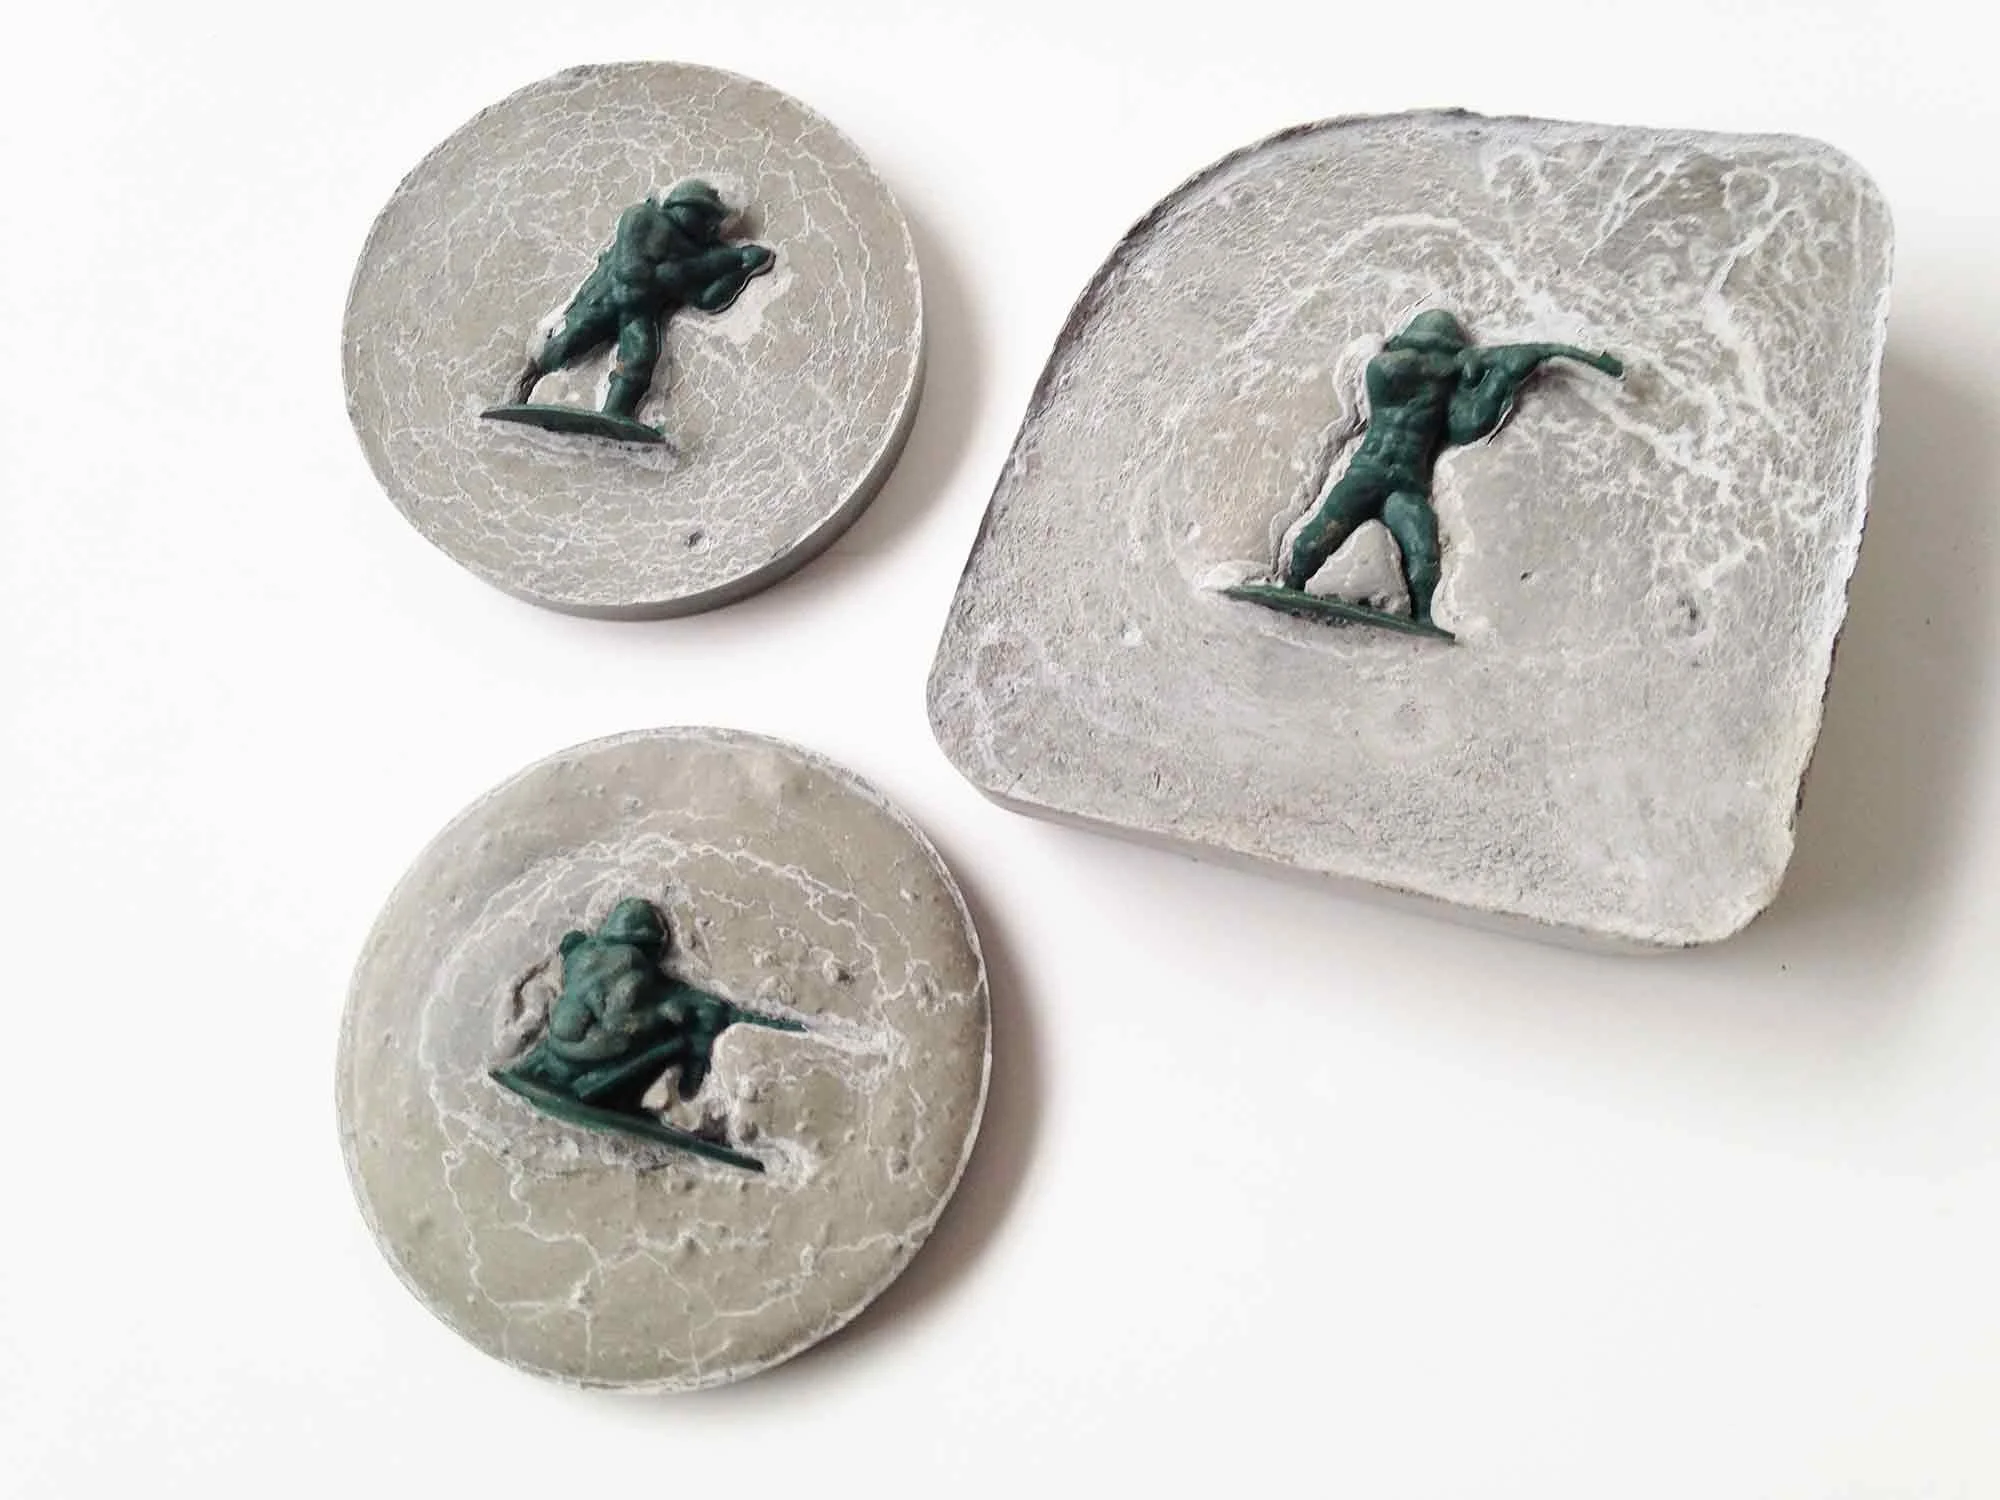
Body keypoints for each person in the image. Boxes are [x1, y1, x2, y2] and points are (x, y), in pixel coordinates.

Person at [1282, 311, 1622, 627]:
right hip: (1366, 472)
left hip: (1408, 484)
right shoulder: (1388, 367)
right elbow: (1408, 367)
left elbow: (1473, 417)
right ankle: (1291, 583)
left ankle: (1423, 618)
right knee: (1319, 536)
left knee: (1424, 552)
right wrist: (1469, 361)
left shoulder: (1442, 388)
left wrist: (1577, 359)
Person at [505, 179, 776, 423]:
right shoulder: (642, 217)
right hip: (603, 299)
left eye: (713, 223)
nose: (710, 227)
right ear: (684, 206)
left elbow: (706, 300)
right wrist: (720, 261)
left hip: (641, 313)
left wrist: (742, 269)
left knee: (639, 359)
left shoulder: (694, 253)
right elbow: (634, 272)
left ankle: (615, 414)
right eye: (705, 217)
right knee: (568, 343)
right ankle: (523, 387)